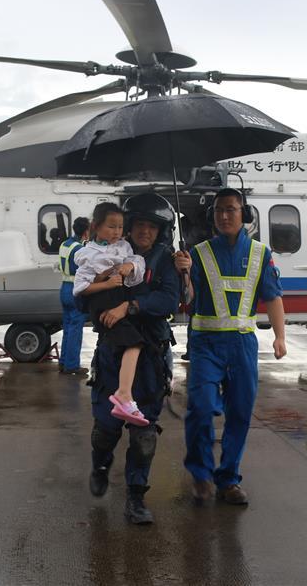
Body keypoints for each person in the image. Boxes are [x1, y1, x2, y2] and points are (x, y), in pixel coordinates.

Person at [173, 187, 286, 506]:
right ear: (213, 216)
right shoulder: (197, 253)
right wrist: (183, 274)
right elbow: (187, 300)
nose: (225, 215)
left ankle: (228, 480)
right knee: (202, 408)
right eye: (219, 210)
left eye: (232, 209)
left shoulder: (261, 254)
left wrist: (279, 336)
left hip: (242, 347)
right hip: (205, 344)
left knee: (239, 413)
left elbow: (273, 297)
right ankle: (200, 472)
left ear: (244, 214)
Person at [86, 193, 180, 524]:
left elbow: (169, 299)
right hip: (114, 351)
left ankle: (136, 497)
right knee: (106, 429)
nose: (145, 231)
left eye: (152, 227)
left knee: (143, 435)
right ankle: (99, 465)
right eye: (139, 224)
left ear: (161, 230)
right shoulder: (106, 255)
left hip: (151, 356)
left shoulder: (168, 260)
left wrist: (132, 305)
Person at [74, 203, 148, 426]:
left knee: (130, 345)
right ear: (95, 227)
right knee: (134, 343)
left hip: (118, 300)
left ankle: (126, 397)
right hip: (103, 304)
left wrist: (130, 267)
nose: (117, 232)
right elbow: (80, 289)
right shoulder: (87, 255)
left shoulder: (123, 246)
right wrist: (106, 284)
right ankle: (123, 396)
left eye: (120, 227)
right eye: (111, 226)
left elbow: (137, 263)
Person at [58, 217, 90, 375]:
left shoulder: (65, 244)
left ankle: (63, 362)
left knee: (68, 328)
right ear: (85, 232)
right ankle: (72, 366)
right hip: (74, 290)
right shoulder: (79, 249)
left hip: (64, 288)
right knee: (75, 330)